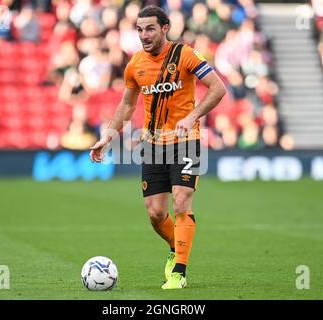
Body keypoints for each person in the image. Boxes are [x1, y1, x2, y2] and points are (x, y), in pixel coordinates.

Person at [89, 5, 226, 290]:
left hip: (186, 141)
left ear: (165, 28)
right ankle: (176, 246)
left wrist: (192, 117)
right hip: (153, 145)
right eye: (139, 29)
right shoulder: (135, 64)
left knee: (181, 202)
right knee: (155, 214)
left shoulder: (184, 55)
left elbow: (217, 88)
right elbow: (127, 105)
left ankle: (179, 272)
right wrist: (108, 136)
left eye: (150, 28)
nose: (144, 35)